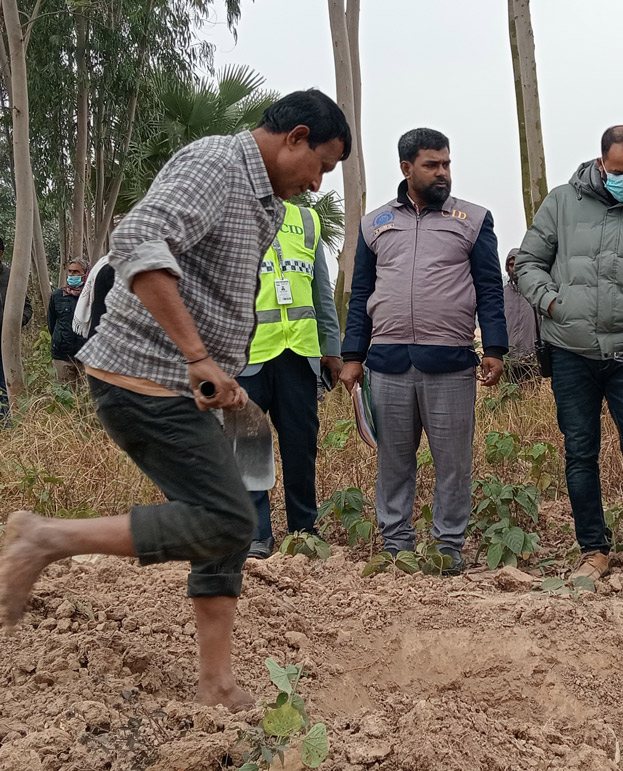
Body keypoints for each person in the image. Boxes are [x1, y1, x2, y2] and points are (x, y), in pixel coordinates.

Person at [0, 89, 351, 709]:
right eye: (322, 165)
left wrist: (221, 367)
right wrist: (197, 357)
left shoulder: (266, 200)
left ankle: (215, 684)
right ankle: (45, 538)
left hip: (198, 390)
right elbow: (137, 238)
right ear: (295, 137)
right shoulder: (216, 164)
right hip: (145, 377)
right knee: (227, 519)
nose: (319, 182)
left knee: (228, 531)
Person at [515, 125, 623, 592]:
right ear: (601, 160)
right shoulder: (561, 203)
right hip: (572, 353)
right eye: (618, 170)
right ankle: (593, 551)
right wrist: (553, 303)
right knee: (580, 454)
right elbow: (527, 262)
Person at [340, 128, 507, 574]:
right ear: (406, 168)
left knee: (453, 463)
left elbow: (491, 288)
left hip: (450, 363)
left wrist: (494, 347)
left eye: (446, 164)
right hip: (387, 364)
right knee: (393, 461)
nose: (442, 172)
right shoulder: (375, 224)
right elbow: (361, 294)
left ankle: (448, 547)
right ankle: (396, 545)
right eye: (432, 164)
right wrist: (353, 354)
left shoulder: (472, 219)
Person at [242, 200, 342, 559]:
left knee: (301, 447)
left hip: (299, 355)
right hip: (247, 357)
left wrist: (331, 347)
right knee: (250, 449)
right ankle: (257, 534)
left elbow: (322, 293)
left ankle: (303, 530)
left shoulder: (307, 219)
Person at [0, 235, 33, 416]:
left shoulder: (11, 277)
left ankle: (7, 420)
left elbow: (27, 307)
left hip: (5, 344)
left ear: (1, 254)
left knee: (4, 382)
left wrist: (16, 324)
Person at [48, 259, 89, 385]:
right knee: (65, 397)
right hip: (62, 355)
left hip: (87, 356)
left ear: (86, 274)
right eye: (70, 272)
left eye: (76, 272)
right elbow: (51, 323)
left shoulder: (92, 296)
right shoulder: (57, 295)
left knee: (86, 399)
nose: (72, 275)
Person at [502, 248, 540, 383]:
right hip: (507, 361)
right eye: (511, 265)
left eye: (517, 264)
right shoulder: (501, 295)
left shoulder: (535, 293)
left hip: (532, 361)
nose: (514, 269)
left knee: (532, 401)